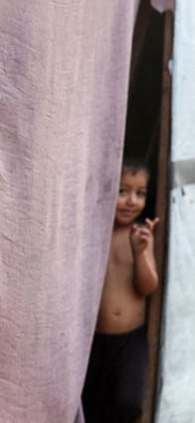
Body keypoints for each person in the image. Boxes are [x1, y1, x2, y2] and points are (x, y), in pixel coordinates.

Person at [82, 157, 159, 422]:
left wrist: (140, 253)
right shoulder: (95, 234)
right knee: (89, 400)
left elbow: (147, 287)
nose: (131, 201)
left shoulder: (139, 235)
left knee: (128, 401)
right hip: (95, 338)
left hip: (129, 339)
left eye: (140, 193)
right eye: (122, 191)